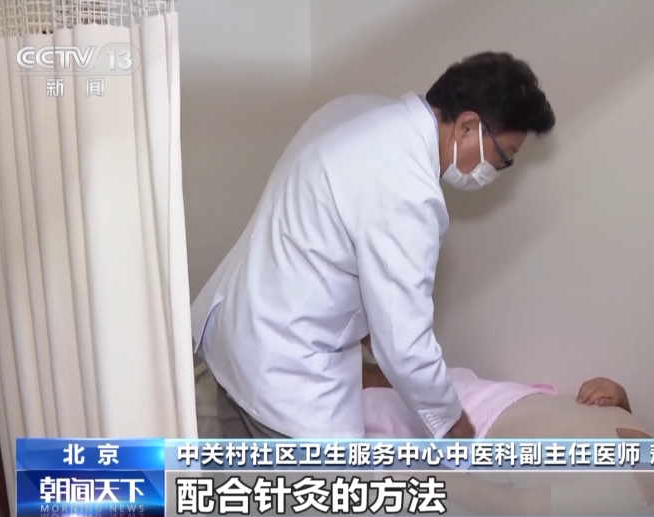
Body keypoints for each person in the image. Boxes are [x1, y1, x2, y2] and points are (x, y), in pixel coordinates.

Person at [190, 51, 556, 440]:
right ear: (467, 126)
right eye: (503, 158)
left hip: (233, 341)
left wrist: (374, 335)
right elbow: (405, 344)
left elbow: (330, 243)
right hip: (287, 383)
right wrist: (452, 424)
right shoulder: (409, 191)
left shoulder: (353, 110)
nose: (495, 172)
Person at [360, 342, 654, 515]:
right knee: (410, 375)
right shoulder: (648, 444)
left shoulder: (612, 497)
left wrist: (407, 476)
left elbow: (508, 504)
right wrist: (619, 400)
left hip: (484, 429)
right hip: (504, 406)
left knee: (378, 398)